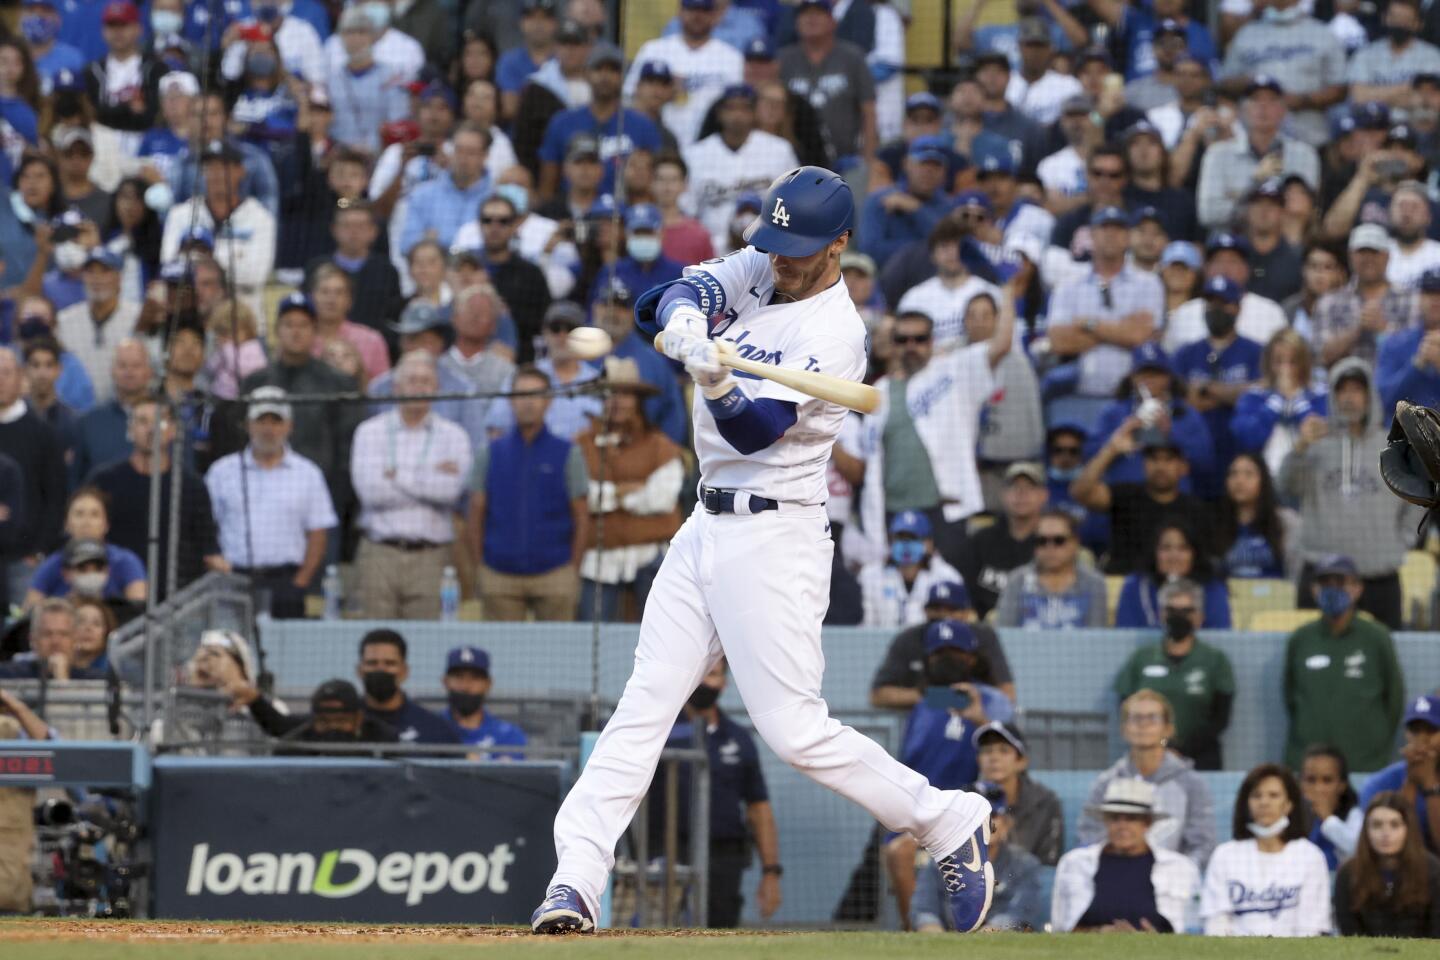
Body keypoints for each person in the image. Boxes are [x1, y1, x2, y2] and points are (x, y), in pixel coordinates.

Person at [531, 167, 996, 936]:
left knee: (794, 731)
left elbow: (755, 430)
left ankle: (947, 818)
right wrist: (685, 324)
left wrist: (716, 382)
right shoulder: (766, 262)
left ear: (840, 243)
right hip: (704, 523)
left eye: (799, 249)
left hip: (776, 532)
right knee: (644, 706)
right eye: (774, 244)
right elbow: (661, 302)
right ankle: (575, 881)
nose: (780, 260)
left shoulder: (834, 333)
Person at [858, 281, 1015, 571]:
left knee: (948, 593)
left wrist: (1007, 291)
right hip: (894, 514)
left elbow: (1001, 345)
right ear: (893, 344)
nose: (911, 346)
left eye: (919, 339)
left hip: (944, 512)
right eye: (903, 340)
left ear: (931, 341)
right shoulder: (877, 393)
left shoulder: (953, 371)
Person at [885, 619, 1013, 928]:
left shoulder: (990, 698)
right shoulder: (926, 701)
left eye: (955, 652)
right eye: (939, 652)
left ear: (971, 657)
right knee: (897, 851)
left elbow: (1007, 750)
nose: (947, 659)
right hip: (923, 811)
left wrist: (979, 715)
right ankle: (919, 934)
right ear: (928, 659)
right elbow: (910, 761)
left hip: (973, 806)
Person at [646, 660, 782, 929]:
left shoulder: (739, 738)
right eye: (701, 673)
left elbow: (759, 808)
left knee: (719, 935)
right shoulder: (660, 728)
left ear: (724, 683)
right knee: (657, 934)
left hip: (724, 858)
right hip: (668, 854)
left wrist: (771, 872)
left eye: (713, 674)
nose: (705, 682)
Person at [1279, 361, 1413, 629]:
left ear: (1369, 396)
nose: (1349, 397)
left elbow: (1416, 501)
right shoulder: (1314, 444)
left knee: (1381, 659)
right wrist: (1300, 447)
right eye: (1342, 390)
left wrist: (1403, 539)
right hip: (1322, 574)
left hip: (1378, 576)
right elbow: (1287, 488)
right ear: (1333, 396)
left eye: (1356, 390)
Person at [351, 352, 472, 620]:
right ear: (396, 387)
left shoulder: (454, 435)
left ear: (436, 388)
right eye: (412, 380)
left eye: (426, 381)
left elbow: (450, 492)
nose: (419, 387)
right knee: (374, 636)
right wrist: (429, 474)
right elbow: (371, 493)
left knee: (426, 643)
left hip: (432, 555)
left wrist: (396, 476)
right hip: (378, 552)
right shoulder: (370, 432)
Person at [468, 365, 590, 622]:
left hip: (555, 574)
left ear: (548, 402)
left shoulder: (569, 453)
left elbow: (581, 516)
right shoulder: (490, 453)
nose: (528, 403)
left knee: (556, 656)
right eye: (521, 395)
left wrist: (571, 570)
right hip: (499, 574)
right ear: (511, 401)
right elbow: (476, 513)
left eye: (536, 395)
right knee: (502, 657)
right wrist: (481, 567)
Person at [204, 387, 337, 619]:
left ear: (289, 426)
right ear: (247, 425)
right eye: (261, 421)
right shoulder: (222, 472)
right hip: (233, 577)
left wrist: (300, 583)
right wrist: (215, 562)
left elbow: (318, 532)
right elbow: (204, 525)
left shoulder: (307, 473)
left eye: (276, 421)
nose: (268, 429)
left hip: (286, 581)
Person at [574, 358, 683, 622]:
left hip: (650, 557)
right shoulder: (582, 444)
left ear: (637, 400)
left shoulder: (660, 445)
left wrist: (608, 495)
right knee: (591, 638)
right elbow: (582, 497)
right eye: (610, 394)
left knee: (659, 633)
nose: (617, 401)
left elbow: (661, 499)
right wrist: (627, 491)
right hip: (599, 561)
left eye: (625, 394)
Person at [84, 395, 221, 599]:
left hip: (177, 599)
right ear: (129, 430)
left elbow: (207, 546)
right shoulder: (104, 481)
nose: (151, 429)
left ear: (173, 430)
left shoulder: (191, 486)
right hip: (116, 597)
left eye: (160, 421)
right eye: (142, 421)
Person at [1283, 554, 1406, 775]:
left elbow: (1394, 697)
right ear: (1313, 590)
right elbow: (1290, 696)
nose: (1332, 589)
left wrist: (1376, 744)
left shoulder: (1377, 637)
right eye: (1324, 583)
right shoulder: (1300, 639)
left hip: (1365, 763)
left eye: (1340, 582)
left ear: (1357, 588)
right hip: (1308, 766)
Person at [1077, 690, 1216, 867]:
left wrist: (1178, 875)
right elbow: (1089, 839)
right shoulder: (1105, 784)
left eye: (1152, 718)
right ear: (1124, 729)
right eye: (1136, 718)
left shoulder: (1192, 784)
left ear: (1168, 729)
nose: (1143, 725)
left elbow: (1202, 845)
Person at [1043, 205, 1165, 400]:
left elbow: (1141, 336)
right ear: (1091, 235)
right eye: (1104, 228)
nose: (1111, 235)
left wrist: (1087, 324)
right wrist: (1122, 328)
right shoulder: (1068, 284)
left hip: (1131, 397)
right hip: (1077, 395)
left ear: (1128, 236)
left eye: (1118, 229)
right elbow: (1058, 341)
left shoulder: (1148, 283)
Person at [1114, 579, 1236, 770]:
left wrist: (1183, 750)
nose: (1178, 617)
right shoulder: (1141, 658)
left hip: (1202, 757)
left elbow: (1220, 718)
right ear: (1161, 614)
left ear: (1199, 616)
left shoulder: (1215, 660)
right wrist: (1164, 746)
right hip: (1148, 753)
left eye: (1187, 611)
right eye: (1171, 610)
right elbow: (1126, 707)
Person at [1052, 778, 1202, 932]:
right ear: (1105, 821)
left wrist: (1154, 941)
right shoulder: (1075, 863)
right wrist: (1099, 932)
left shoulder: (1180, 868)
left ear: (1147, 823)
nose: (1122, 826)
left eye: (1132, 819)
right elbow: (1060, 929)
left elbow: (1193, 931)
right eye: (1115, 818)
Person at [1201, 763, 1332, 936]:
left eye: (1274, 795)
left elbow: (1311, 928)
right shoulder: (1225, 855)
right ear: (1247, 803)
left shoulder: (1309, 856)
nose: (1264, 802)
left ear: (1288, 805)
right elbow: (1216, 923)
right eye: (1256, 796)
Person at [1071, 424, 1209, 575]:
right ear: (1144, 464)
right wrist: (1111, 449)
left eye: (1168, 460)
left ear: (1183, 467)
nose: (1160, 466)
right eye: (1153, 459)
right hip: (1121, 582)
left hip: (1174, 588)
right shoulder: (1125, 495)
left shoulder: (1195, 509)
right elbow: (1080, 492)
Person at [913, 779, 1048, 932]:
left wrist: (977, 944)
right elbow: (924, 912)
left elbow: (1020, 916)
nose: (984, 823)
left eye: (993, 815)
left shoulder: (1025, 864)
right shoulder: (937, 861)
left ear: (1006, 824)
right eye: (974, 817)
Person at [685, 83, 800, 255]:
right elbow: (687, 210)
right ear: (719, 114)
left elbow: (796, 201)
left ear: (754, 113)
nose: (737, 115)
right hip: (712, 252)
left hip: (768, 249)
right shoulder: (695, 155)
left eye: (744, 108)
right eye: (731, 108)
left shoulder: (779, 150)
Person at [1196, 75, 1323, 230]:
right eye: (1255, 100)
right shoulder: (1218, 154)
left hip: (1285, 243)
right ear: (1243, 109)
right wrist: (1256, 183)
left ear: (1283, 110)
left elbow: (1303, 211)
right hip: (1233, 244)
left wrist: (1238, 199)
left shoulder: (1304, 154)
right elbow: (1208, 213)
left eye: (1272, 100)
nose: (1263, 106)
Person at [869, 580, 1017, 708]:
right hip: (924, 720)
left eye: (952, 609)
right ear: (925, 611)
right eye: (936, 608)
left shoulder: (984, 636)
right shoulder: (909, 638)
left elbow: (1008, 694)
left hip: (975, 722)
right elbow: (878, 696)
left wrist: (951, 699)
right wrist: (942, 699)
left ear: (967, 613)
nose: (943, 615)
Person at [0, 349, 68, 607]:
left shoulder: (43, 434)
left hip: (23, 560)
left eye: (6, 373)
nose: (1, 380)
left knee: (21, 635)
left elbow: (56, 498)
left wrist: (38, 550)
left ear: (21, 378)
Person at [1333, 791, 1440, 937]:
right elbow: (1350, 934)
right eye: (1376, 825)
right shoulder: (1348, 874)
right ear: (1366, 830)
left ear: (1408, 829)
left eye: (1395, 825)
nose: (1385, 833)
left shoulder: (1433, 871)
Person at [1315, 224, 1422, 369]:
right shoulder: (1329, 302)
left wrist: (1384, 328)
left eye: (1374, 252)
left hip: (1396, 388)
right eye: (1362, 252)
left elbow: (1417, 355)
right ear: (1350, 256)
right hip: (1346, 386)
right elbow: (1322, 357)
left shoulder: (1412, 300)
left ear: (1387, 256)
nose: (1368, 259)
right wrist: (1357, 329)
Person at [1230, 330, 1328, 480]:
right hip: (1265, 483)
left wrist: (1297, 400)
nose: (1285, 369)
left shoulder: (1321, 395)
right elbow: (1249, 439)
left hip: (1311, 478)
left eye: (1292, 362)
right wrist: (1277, 401)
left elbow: (1320, 435)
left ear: (1303, 364)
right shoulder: (1253, 397)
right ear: (1268, 363)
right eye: (1279, 361)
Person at [23, 488, 145, 607]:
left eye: (95, 514)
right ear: (66, 524)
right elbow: (29, 613)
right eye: (79, 514)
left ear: (106, 524)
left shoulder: (126, 561)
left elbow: (139, 610)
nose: (86, 522)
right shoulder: (52, 564)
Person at [993, 508, 1108, 629]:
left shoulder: (1094, 583)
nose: (1050, 547)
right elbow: (1004, 634)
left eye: (1059, 540)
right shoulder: (1017, 580)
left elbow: (1096, 637)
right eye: (1042, 541)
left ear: (1075, 543)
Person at [955, 463, 1044, 616]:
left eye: (1029, 487)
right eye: (1014, 487)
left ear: (1044, 495)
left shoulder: (1052, 541)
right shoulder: (981, 541)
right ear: (1003, 495)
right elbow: (967, 595)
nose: (1021, 494)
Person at [54, 249, 140, 404]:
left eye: (104, 271)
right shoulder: (64, 320)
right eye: (90, 272)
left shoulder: (138, 317)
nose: (97, 279)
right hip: (77, 412)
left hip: (124, 407)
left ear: (119, 278)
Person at [1357, 695, 1440, 856]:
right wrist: (1411, 782)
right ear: (1406, 734)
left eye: (1431, 730)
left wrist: (1430, 785)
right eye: (1415, 731)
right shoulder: (1380, 783)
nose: (1422, 740)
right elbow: (1390, 846)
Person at [972, 722, 1063, 866]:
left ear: (1022, 761)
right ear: (978, 760)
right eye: (987, 751)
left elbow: (1048, 864)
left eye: (1004, 750)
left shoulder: (1046, 803)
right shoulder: (964, 800)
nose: (994, 757)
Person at [1115, 521, 1232, 630]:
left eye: (1183, 548)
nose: (1174, 556)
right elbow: (1124, 636)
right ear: (1154, 552)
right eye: (1166, 548)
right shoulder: (1134, 587)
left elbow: (1220, 637)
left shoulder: (1213, 588)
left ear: (1194, 553)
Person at [858, 511, 964, 629]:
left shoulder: (948, 577)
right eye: (900, 538)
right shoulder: (870, 575)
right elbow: (865, 626)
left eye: (913, 538)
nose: (906, 544)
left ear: (929, 544)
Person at [442, 645, 527, 758]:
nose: (465, 686)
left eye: (475, 678)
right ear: (445, 681)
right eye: (458, 677)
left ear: (488, 684)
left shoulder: (508, 735)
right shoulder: (432, 729)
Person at [1379, 266, 1440, 414]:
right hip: (1405, 434)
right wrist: (1417, 365)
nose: (1435, 299)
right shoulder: (1395, 343)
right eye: (1429, 292)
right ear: (1419, 297)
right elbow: (1384, 401)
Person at [0, 597, 105, 680]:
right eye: (47, 634)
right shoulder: (8, 675)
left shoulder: (94, 679)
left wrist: (62, 679)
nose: (55, 641)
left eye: (63, 634)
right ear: (33, 640)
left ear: (75, 639)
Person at [1301, 744, 1363, 870]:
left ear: (1342, 785)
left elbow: (1360, 850)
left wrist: (1328, 819)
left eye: (1327, 780)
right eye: (1310, 780)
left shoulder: (1353, 814)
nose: (1318, 788)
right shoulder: (1290, 816)